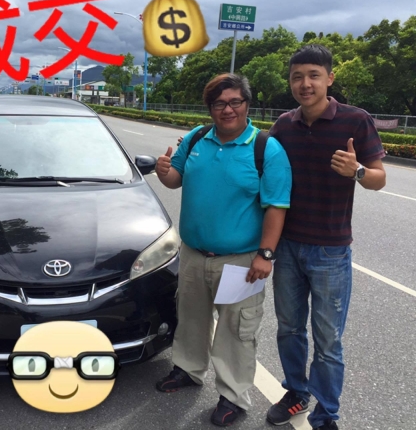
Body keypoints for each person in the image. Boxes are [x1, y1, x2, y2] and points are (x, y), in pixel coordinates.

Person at [154, 73, 292, 427]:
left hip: (241, 261)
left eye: (235, 102)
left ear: (247, 104)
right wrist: (164, 171)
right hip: (193, 253)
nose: (227, 109)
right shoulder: (197, 138)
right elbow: (175, 179)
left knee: (236, 331)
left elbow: (276, 207)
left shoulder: (266, 149)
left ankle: (233, 396)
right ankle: (188, 369)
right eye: (219, 103)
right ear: (210, 108)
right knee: (192, 319)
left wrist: (266, 255)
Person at [265, 44, 386, 430]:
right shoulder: (284, 125)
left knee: (328, 339)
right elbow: (263, 171)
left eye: (314, 76)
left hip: (330, 251)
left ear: (330, 78)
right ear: (290, 82)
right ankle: (296, 393)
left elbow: (379, 178)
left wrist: (357, 170)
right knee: (289, 329)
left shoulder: (356, 120)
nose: (305, 84)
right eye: (297, 77)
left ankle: (326, 414)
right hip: (288, 247)